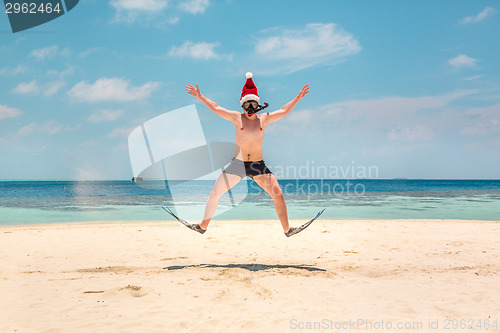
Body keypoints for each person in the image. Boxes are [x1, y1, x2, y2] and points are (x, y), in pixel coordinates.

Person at [184, 72, 310, 237]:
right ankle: (202, 226)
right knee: (215, 193)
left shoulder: (264, 119)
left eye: (253, 105)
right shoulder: (236, 118)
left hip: (258, 166)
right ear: (242, 105)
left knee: (278, 194)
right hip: (237, 164)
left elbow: (284, 110)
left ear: (258, 105)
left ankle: (287, 230)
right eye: (247, 105)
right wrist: (200, 96)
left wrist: (298, 98)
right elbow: (216, 107)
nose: (250, 109)